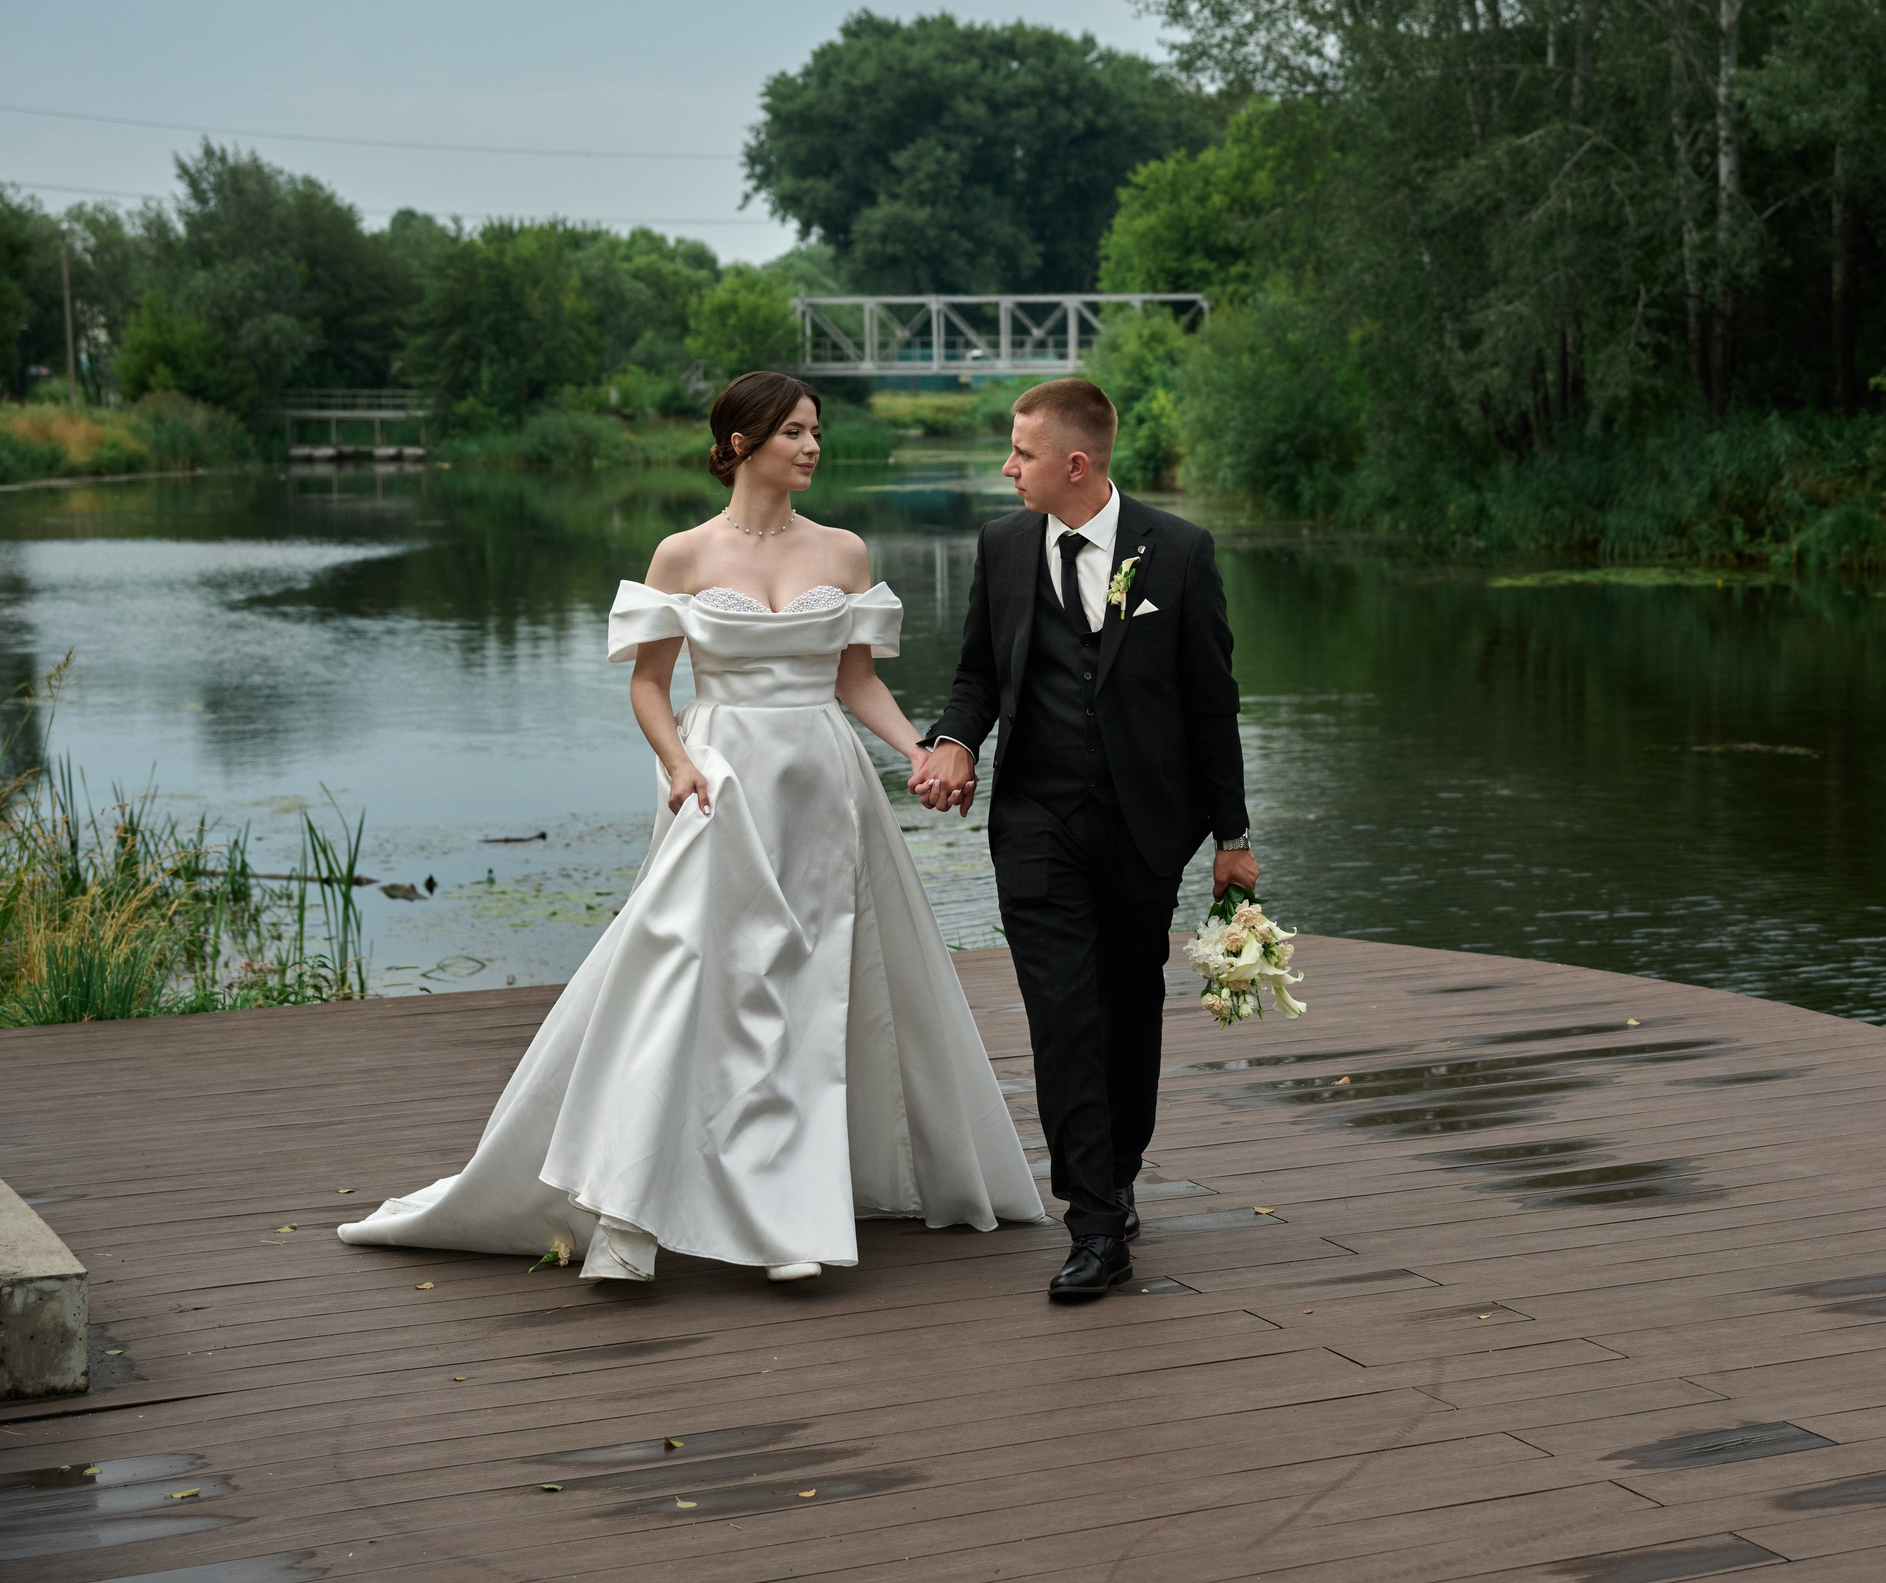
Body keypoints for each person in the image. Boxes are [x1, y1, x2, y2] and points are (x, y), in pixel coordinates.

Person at [340, 372, 1043, 1282]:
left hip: (825, 788)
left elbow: (854, 677)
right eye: (795, 431)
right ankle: (631, 1207)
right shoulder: (683, 555)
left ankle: (792, 1220)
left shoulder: (844, 551)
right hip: (721, 783)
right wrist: (678, 765)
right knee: (691, 978)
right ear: (743, 441)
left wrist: (920, 748)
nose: (813, 446)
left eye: (816, 431)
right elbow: (647, 685)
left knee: (812, 986)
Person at [911, 378, 1255, 1302]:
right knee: (1061, 1009)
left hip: (1147, 823)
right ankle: (1095, 1224)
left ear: (1075, 464)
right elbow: (980, 671)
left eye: (1020, 453)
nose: (1005, 467)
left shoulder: (1177, 551)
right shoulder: (1004, 544)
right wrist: (952, 741)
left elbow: (1211, 703)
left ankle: (1119, 1167)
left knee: (1128, 1004)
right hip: (1036, 820)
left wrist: (1233, 835)